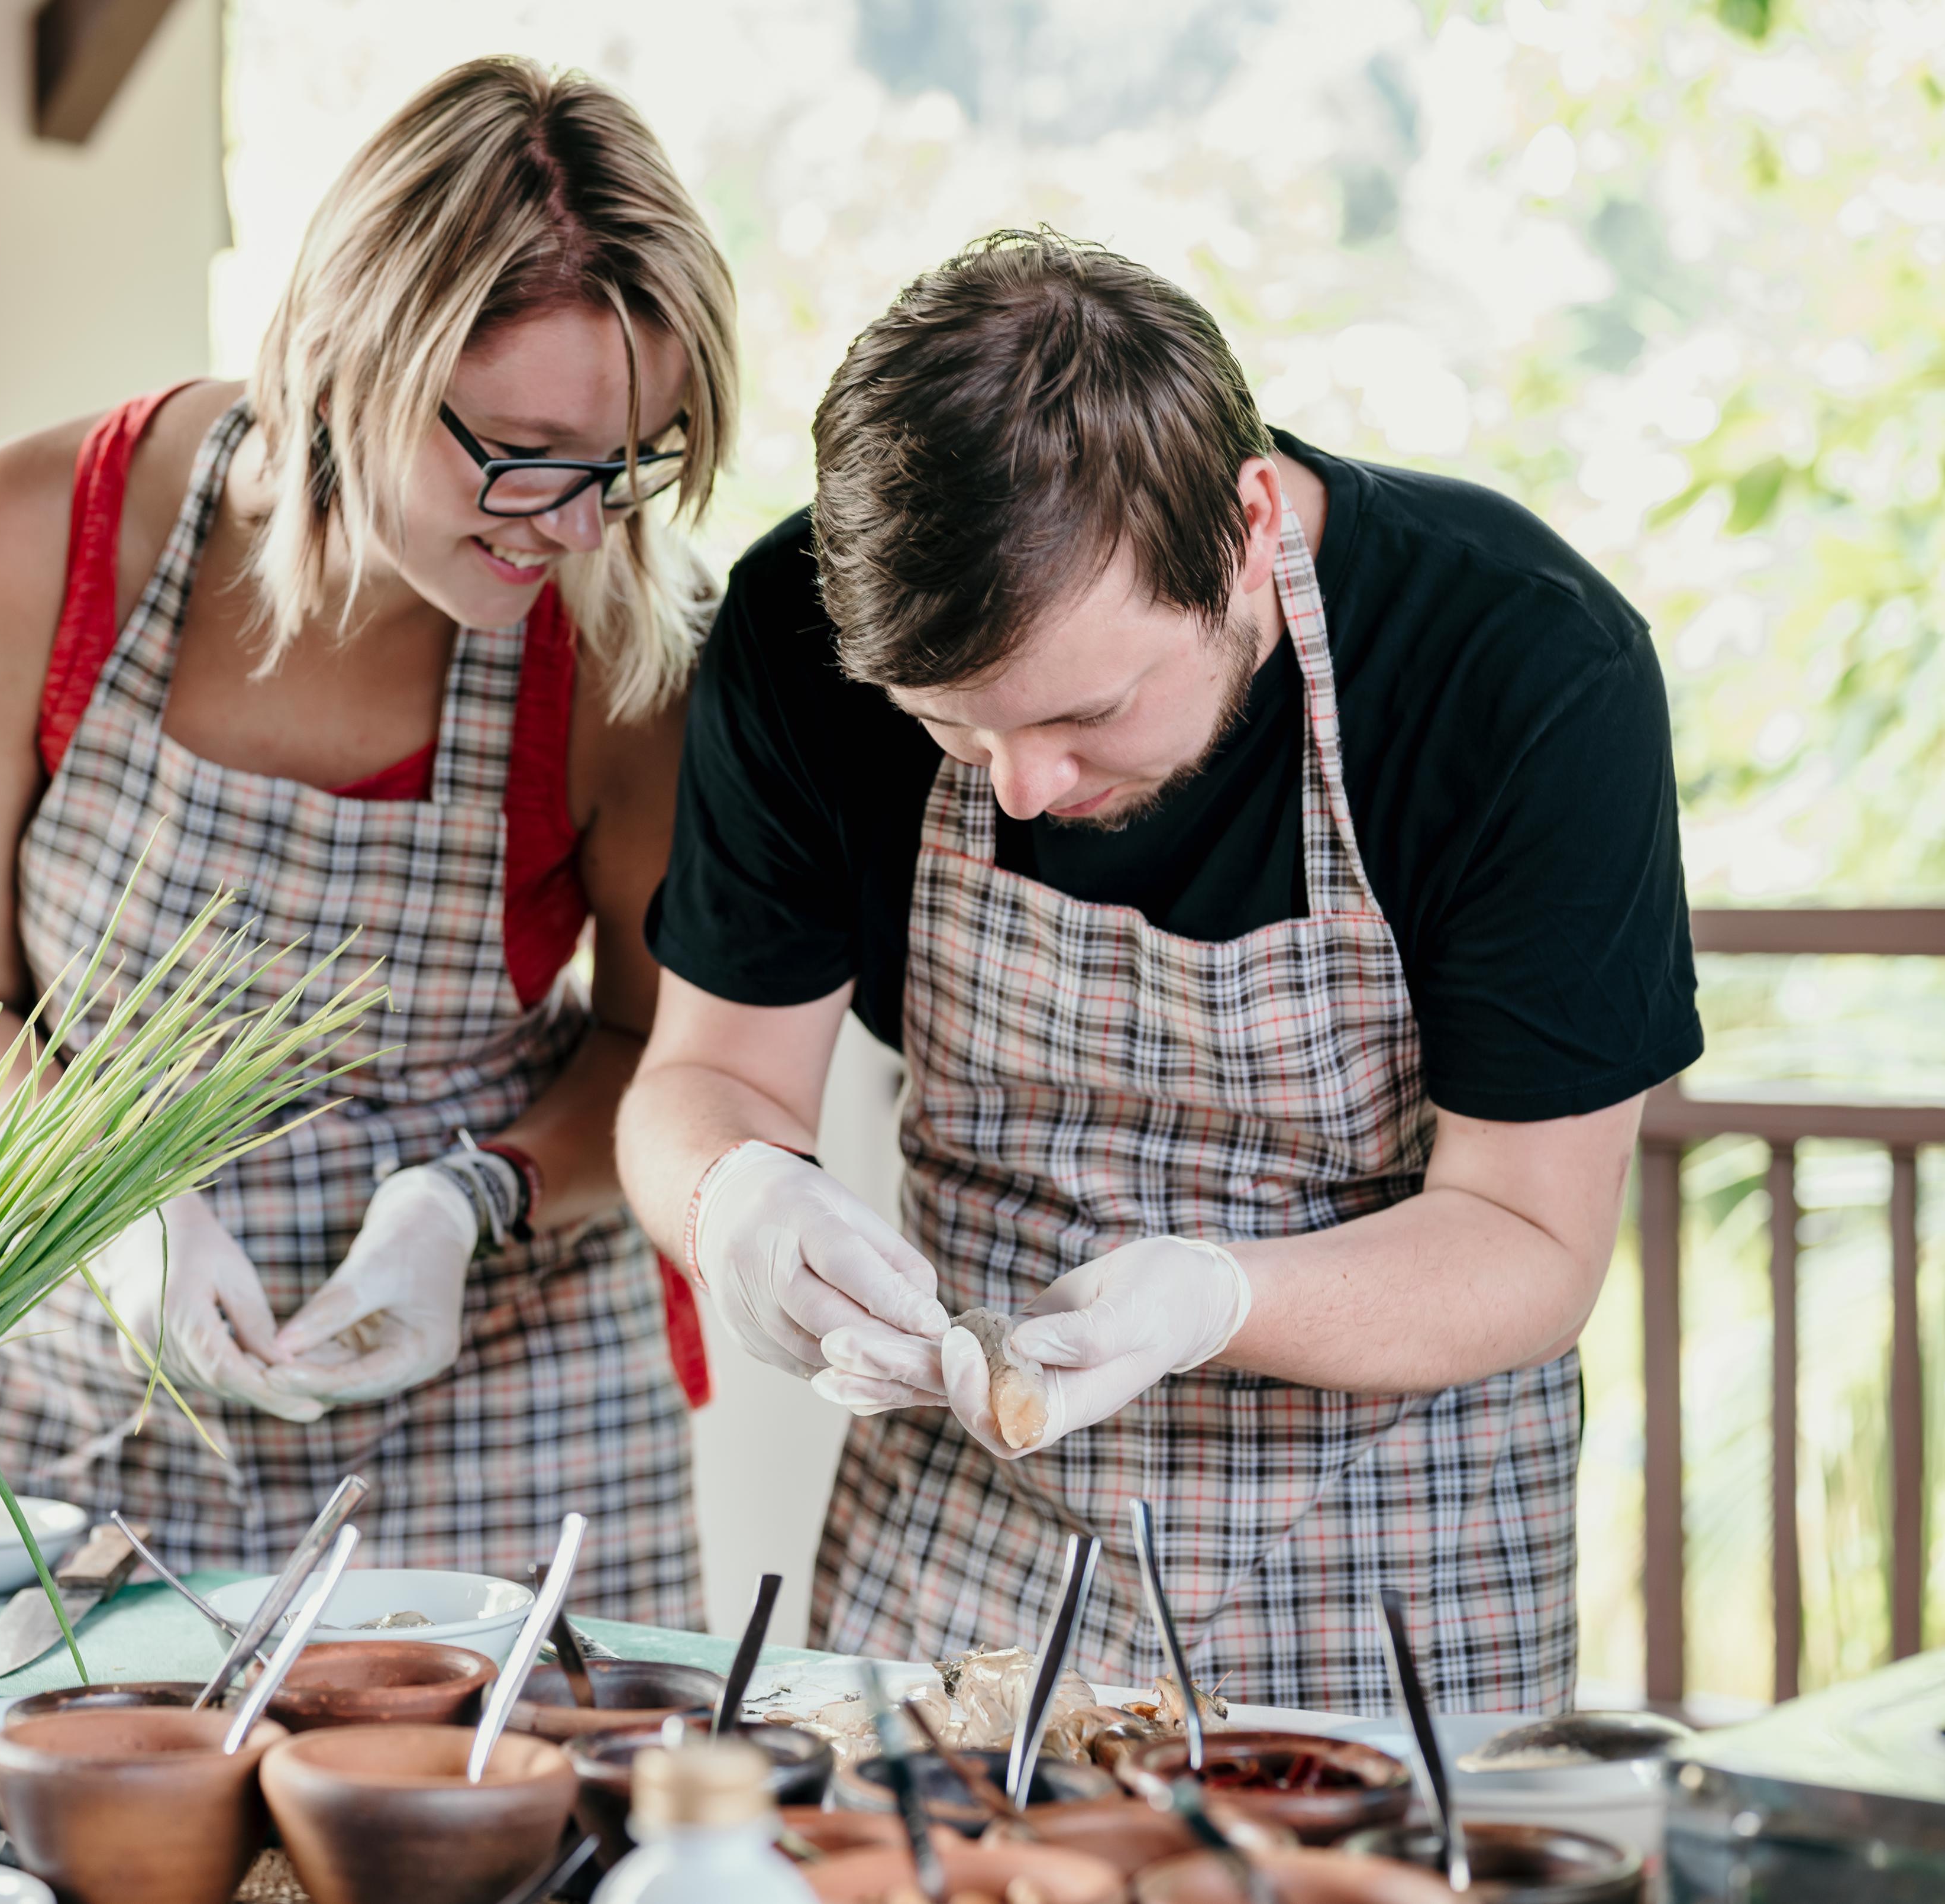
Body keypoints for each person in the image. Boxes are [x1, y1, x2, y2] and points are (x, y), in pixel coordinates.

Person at [621, 231, 1699, 1708]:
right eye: (951, 728)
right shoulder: (787, 633)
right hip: (961, 1531)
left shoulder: (1520, 668)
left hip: (1392, 1546)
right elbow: (710, 1070)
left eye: (1088, 712)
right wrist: (727, 1193)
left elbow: (1527, 1232)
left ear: (1250, 524)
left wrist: (1212, 1297)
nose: (1018, 787)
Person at [0, 57, 738, 1622]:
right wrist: (104, 1206)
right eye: (526, 453)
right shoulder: (22, 545)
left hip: (510, 1407)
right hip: (98, 1398)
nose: (580, 525)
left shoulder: (613, 635)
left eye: (629, 459)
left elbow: (658, 1051)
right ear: (347, 355)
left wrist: (465, 1201)